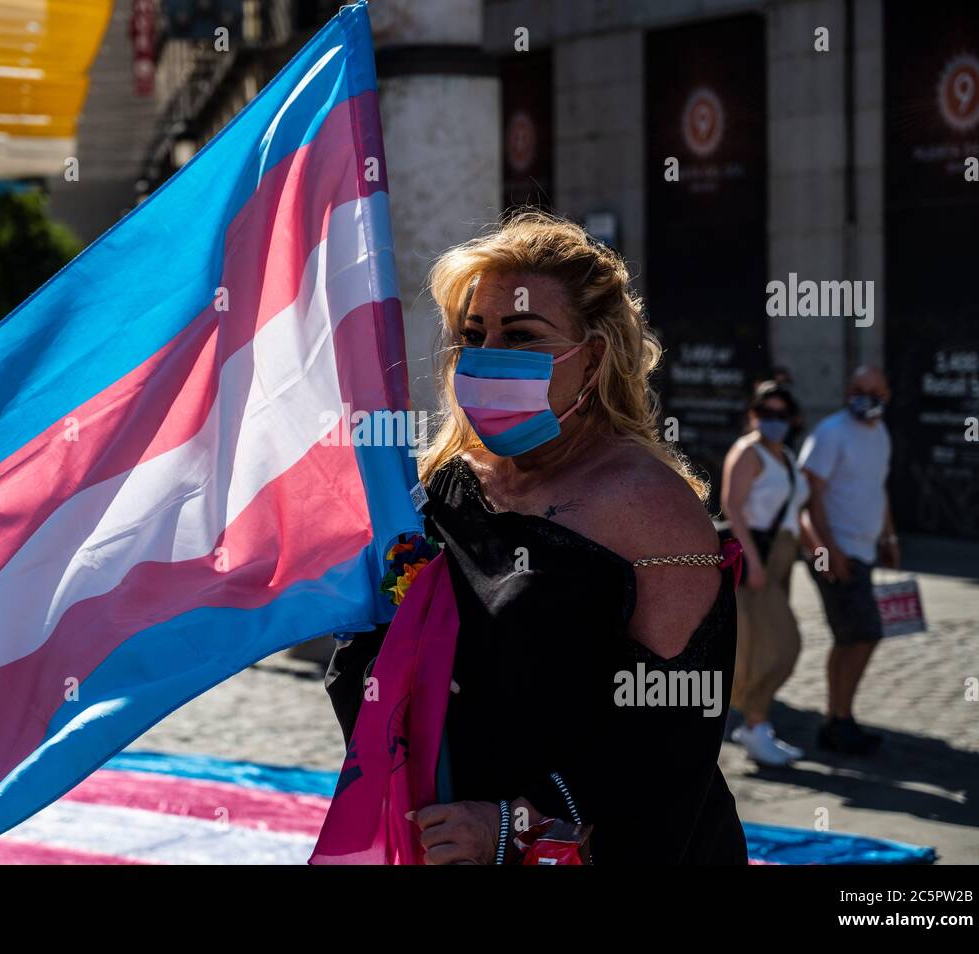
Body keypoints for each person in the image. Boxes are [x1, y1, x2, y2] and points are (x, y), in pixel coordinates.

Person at [324, 211, 747, 864]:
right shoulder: (443, 485)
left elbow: (671, 729)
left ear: (595, 356)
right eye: (475, 334)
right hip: (439, 838)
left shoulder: (652, 508)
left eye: (522, 336)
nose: (490, 356)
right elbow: (380, 651)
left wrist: (512, 825)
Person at [799, 367, 897, 755]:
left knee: (852, 636)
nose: (865, 396)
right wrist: (828, 551)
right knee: (865, 633)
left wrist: (888, 536)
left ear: (887, 394)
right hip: (836, 554)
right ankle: (838, 719)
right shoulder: (831, 432)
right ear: (846, 391)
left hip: (864, 549)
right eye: (858, 389)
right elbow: (808, 497)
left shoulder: (880, 433)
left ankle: (839, 719)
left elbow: (877, 488)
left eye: (874, 390)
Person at [721, 382, 810, 765]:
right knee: (783, 644)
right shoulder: (748, 452)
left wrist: (814, 546)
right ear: (753, 415)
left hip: (783, 558)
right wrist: (753, 562)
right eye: (766, 414)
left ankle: (757, 726)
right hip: (758, 557)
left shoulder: (786, 456)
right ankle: (753, 724)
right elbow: (732, 507)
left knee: (762, 644)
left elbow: (795, 510)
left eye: (781, 415)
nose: (774, 422)